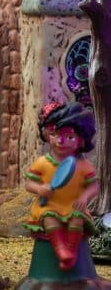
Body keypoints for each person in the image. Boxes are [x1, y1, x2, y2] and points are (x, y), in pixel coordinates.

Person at [24, 102, 98, 271]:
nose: (61, 141)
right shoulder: (42, 162)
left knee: (77, 218)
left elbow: (93, 186)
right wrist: (39, 189)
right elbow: (29, 183)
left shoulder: (83, 165)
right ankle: (61, 250)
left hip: (73, 205)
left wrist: (84, 196)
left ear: (81, 141)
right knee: (49, 218)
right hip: (49, 205)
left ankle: (71, 252)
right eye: (55, 135)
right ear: (48, 135)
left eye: (69, 137)